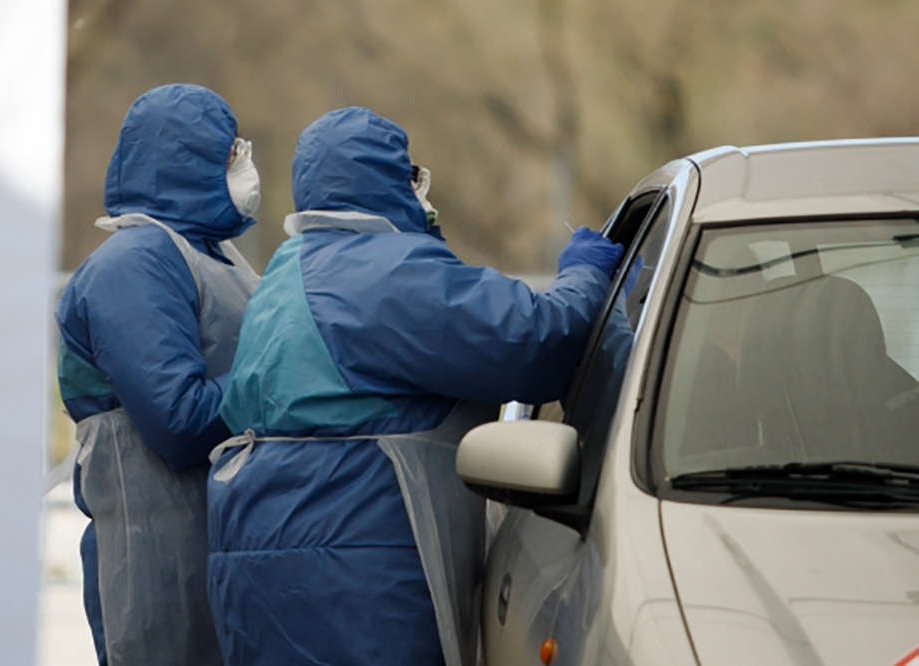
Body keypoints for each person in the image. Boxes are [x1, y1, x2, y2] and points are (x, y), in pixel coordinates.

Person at [205, 107, 623, 666]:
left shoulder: (293, 265)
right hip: (351, 566)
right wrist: (586, 275)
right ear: (385, 179)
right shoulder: (383, 271)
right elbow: (532, 345)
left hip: (267, 561)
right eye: (412, 175)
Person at [55, 83, 261, 666]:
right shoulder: (134, 263)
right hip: (160, 558)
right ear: (187, 159)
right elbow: (177, 421)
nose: (245, 168)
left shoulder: (214, 254)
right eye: (231, 155)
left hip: (221, 541)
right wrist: (281, 377)